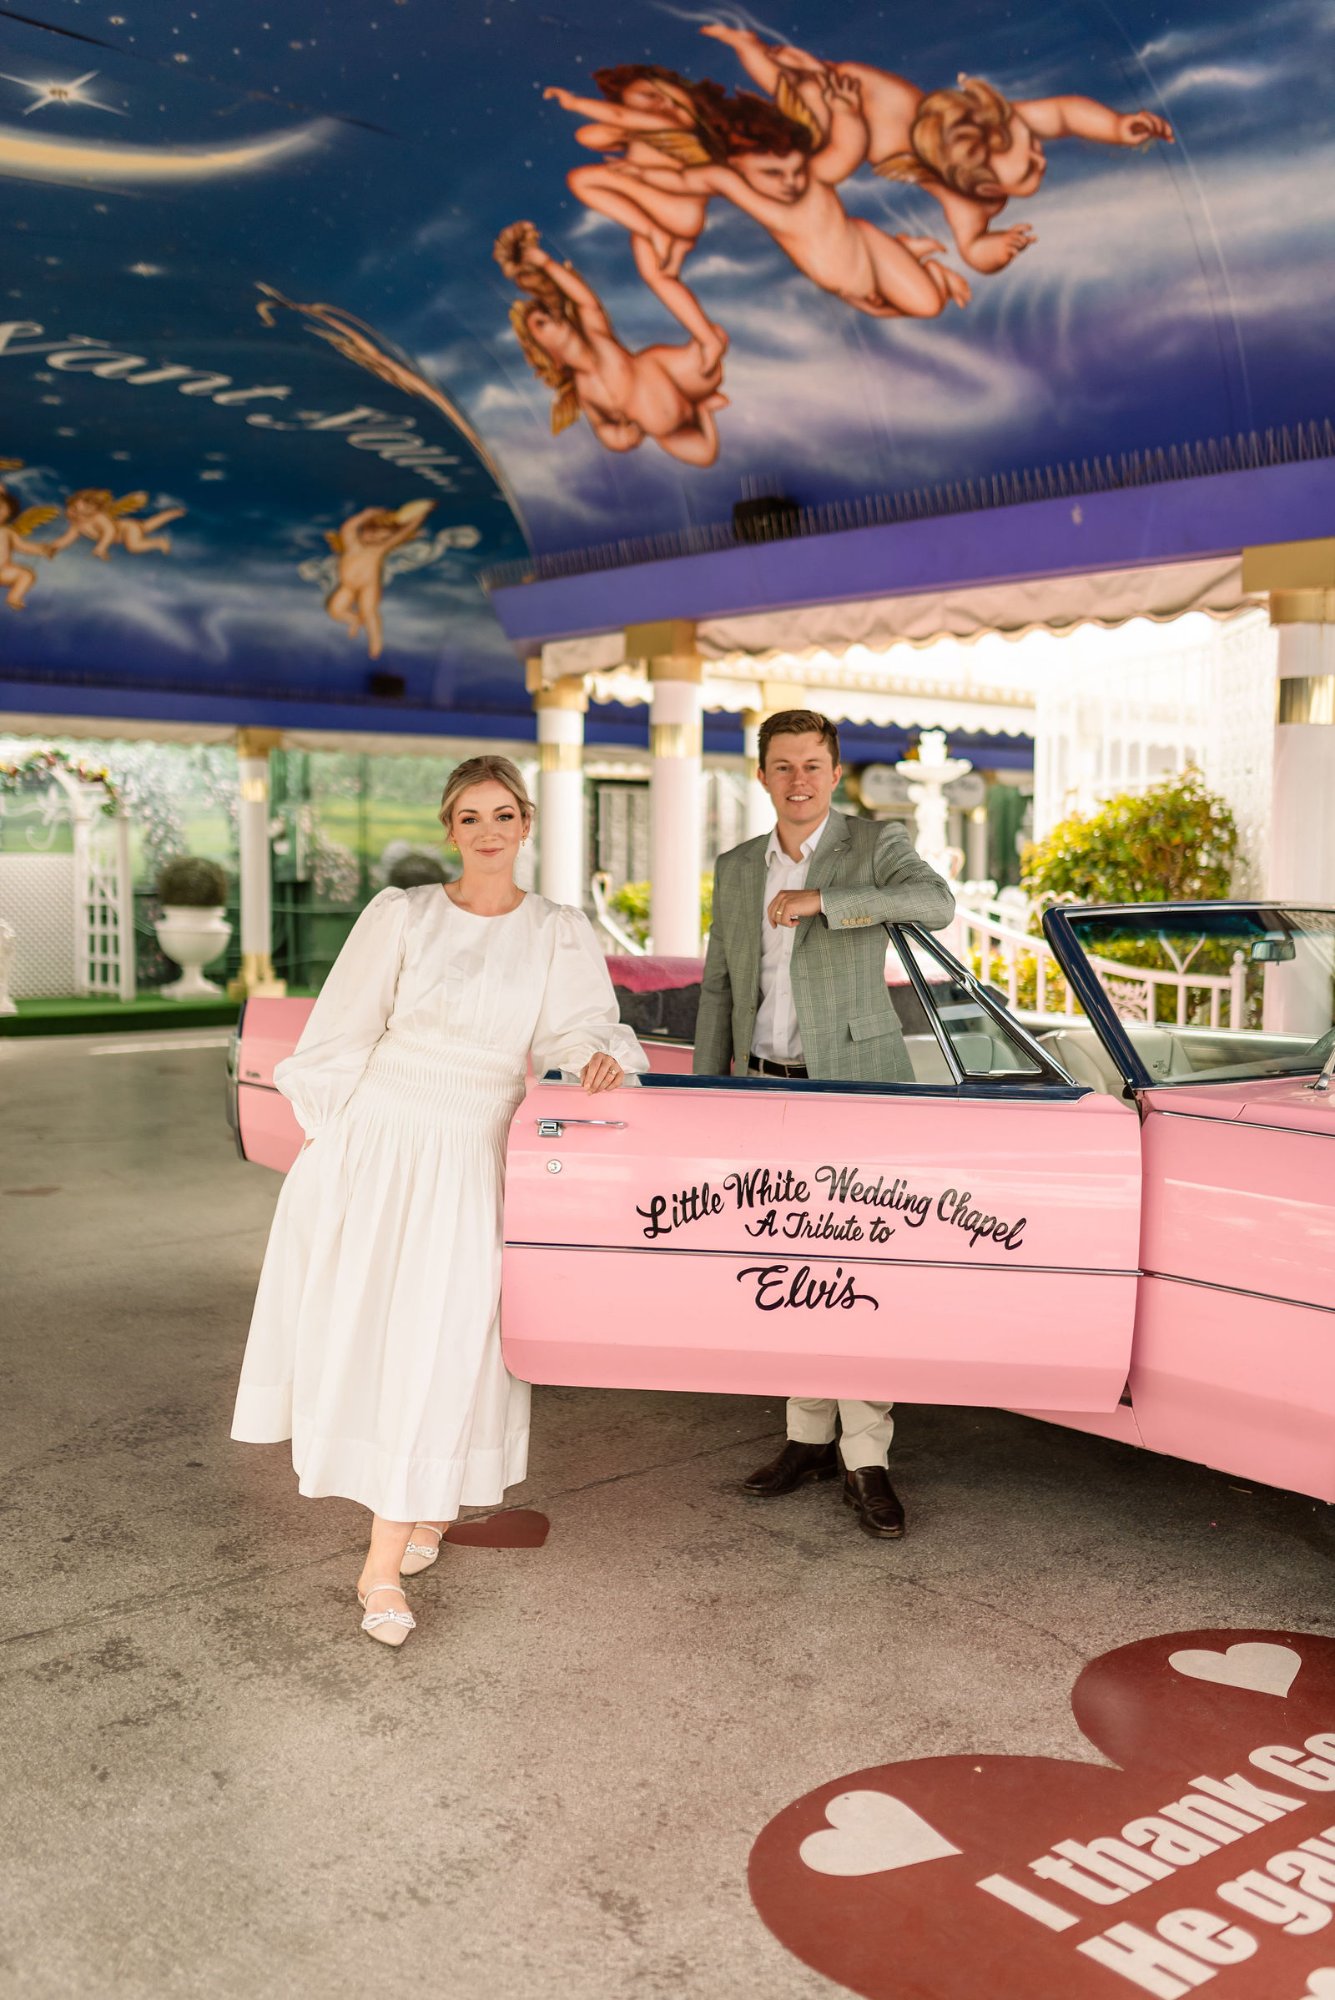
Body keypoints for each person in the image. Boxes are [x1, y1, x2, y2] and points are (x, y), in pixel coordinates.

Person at [231, 756, 648, 1646]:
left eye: (503, 815)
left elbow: (578, 1029)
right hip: (382, 1138)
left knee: (447, 1342)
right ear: (448, 829)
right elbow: (342, 1025)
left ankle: (419, 1505)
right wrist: (334, 1146)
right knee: (385, 1334)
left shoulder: (556, 929)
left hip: (471, 1147)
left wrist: (596, 1060)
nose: (488, 832)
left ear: (526, 824)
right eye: (469, 817)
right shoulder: (404, 913)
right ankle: (379, 1565)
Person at [693, 710, 955, 1539]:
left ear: (833, 772)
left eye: (812, 765)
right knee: (785, 1262)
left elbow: (935, 903)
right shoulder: (737, 867)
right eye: (781, 766)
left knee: (858, 1270)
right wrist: (707, 1098)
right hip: (764, 1090)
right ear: (761, 775)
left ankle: (865, 1455)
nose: (797, 780)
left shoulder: (874, 843)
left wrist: (824, 900)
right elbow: (718, 987)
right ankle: (806, 1438)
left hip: (855, 1086)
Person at [703, 23, 1173, 274]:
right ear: (982, 182)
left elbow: (1066, 113)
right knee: (793, 89)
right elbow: (969, 247)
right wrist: (987, 247)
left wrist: (1117, 125)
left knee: (805, 82)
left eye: (1033, 152)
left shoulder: (1004, 130)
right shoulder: (967, 196)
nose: (1040, 158)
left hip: (882, 111)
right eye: (1029, 168)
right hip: (865, 103)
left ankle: (781, 59)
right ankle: (748, 48)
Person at [496, 222, 728, 466]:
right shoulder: (585, 389)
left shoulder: (595, 334)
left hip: (669, 373)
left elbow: (587, 303)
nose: (550, 318)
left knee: (713, 341)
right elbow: (601, 428)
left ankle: (701, 385)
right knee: (704, 455)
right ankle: (703, 410)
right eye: (540, 325)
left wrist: (545, 263)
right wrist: (619, 437)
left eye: (545, 313)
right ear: (547, 352)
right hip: (665, 424)